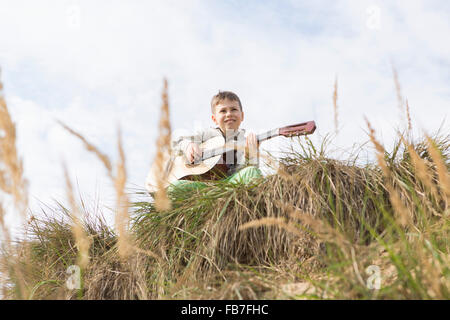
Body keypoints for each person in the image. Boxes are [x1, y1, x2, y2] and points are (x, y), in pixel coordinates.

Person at [167, 90, 263, 194]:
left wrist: (250, 156)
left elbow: (244, 174)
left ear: (242, 116)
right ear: (214, 119)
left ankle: (226, 198)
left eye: (234, 109)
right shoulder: (207, 134)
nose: (229, 114)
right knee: (175, 188)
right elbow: (177, 139)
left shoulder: (244, 142)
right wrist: (188, 145)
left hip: (229, 184)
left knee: (252, 172)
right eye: (223, 111)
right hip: (204, 187)